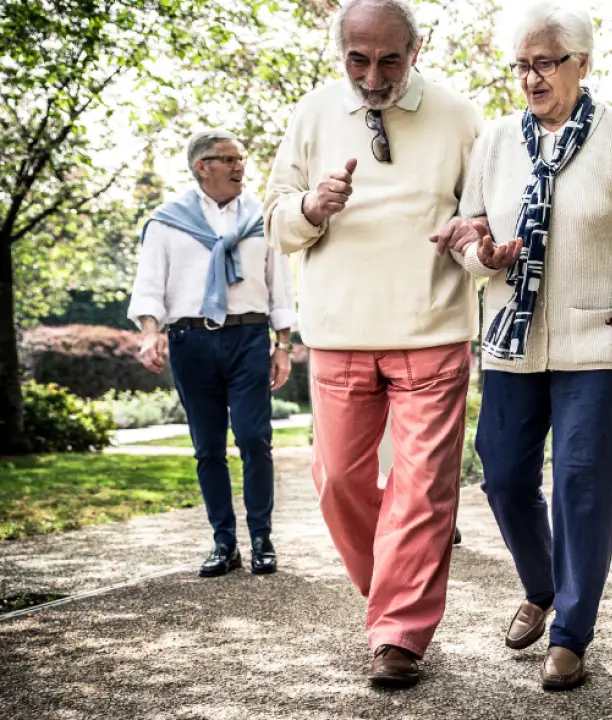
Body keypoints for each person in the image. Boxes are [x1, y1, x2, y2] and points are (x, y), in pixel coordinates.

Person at [432, 1, 612, 690]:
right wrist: (482, 254)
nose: (531, 78)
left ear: (582, 64)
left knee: (582, 486)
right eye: (522, 66)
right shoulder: (496, 142)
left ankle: (571, 632)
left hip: (594, 341)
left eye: (545, 63)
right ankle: (542, 586)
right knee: (504, 473)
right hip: (513, 340)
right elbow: (473, 233)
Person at [263, 0, 482, 688]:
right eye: (358, 60)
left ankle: (398, 634)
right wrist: (311, 208)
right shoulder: (311, 114)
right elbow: (275, 221)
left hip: (432, 329)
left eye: (390, 60)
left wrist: (475, 239)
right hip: (339, 332)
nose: (373, 76)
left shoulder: (459, 117)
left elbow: (482, 219)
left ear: (416, 51)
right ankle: (392, 590)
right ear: (341, 53)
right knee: (337, 482)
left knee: (423, 491)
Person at [128, 129, 296, 579]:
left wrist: (283, 345)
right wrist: (150, 333)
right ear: (203, 166)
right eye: (230, 159)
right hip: (191, 341)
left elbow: (280, 286)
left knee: (254, 439)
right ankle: (224, 542)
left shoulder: (263, 217)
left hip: (249, 338)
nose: (241, 166)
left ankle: (261, 539)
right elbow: (150, 285)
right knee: (207, 448)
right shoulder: (167, 222)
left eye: (241, 158)